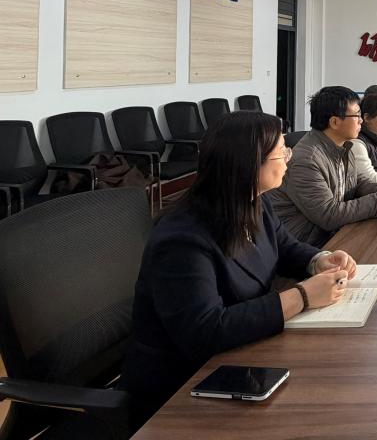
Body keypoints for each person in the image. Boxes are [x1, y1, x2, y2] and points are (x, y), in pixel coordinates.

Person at [120, 112, 359, 428]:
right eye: (282, 152)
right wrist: (301, 296)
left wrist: (320, 260)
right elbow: (206, 332)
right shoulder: (182, 239)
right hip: (182, 389)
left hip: (243, 354)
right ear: (249, 165)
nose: (288, 159)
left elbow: (284, 247)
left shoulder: (255, 201)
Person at [269, 86, 377, 246]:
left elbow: (355, 185)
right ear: (334, 122)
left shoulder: (344, 145)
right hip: (311, 245)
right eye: (356, 115)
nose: (361, 120)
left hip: (336, 233)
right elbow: (329, 215)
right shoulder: (307, 160)